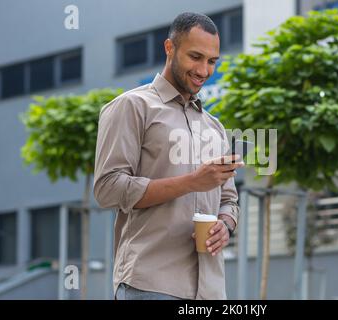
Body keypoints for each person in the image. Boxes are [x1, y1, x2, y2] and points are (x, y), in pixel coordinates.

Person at [93, 12, 244, 300]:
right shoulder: (131, 107)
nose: (204, 70)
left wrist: (225, 225)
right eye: (195, 57)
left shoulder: (215, 127)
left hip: (211, 290)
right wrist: (191, 182)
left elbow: (229, 199)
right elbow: (107, 189)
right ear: (170, 48)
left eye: (212, 61)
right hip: (150, 285)